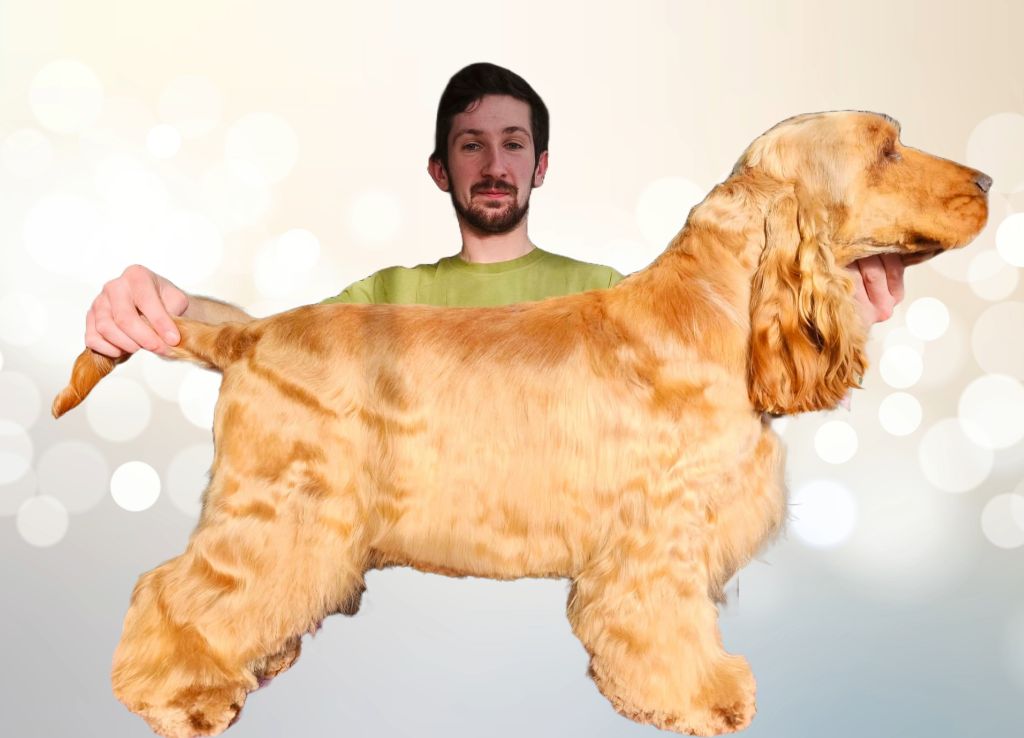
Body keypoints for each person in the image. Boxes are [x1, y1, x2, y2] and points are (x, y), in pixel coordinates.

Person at [83, 62, 905, 359]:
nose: (494, 165)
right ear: (440, 171)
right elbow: (273, 348)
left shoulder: (608, 292)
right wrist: (173, 307)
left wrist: (834, 310)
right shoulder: (392, 297)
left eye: (514, 144)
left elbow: (721, 380)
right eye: (471, 146)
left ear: (541, 167)